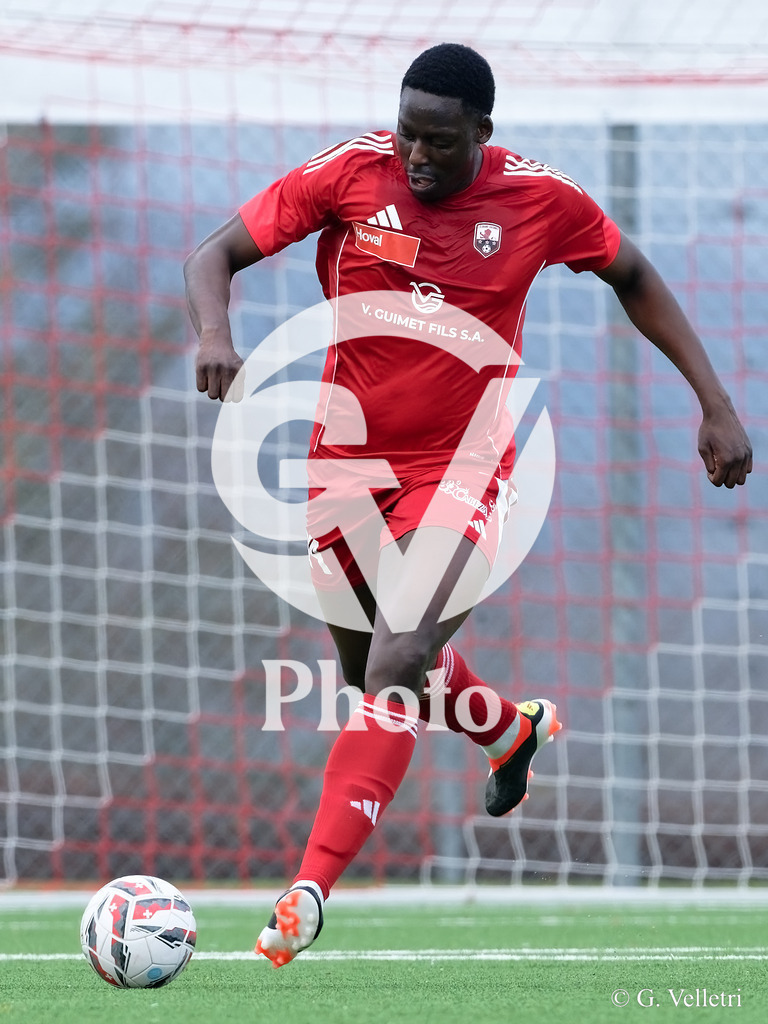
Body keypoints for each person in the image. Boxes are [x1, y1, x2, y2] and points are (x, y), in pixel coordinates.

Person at [184, 43, 752, 967]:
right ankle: (508, 729)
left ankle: (309, 892)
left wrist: (715, 404)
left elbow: (634, 275)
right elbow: (214, 252)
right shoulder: (348, 174)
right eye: (408, 132)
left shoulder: (540, 201)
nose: (416, 155)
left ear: (481, 135)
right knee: (379, 662)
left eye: (439, 141)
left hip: (468, 466)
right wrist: (215, 330)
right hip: (343, 471)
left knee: (401, 659)